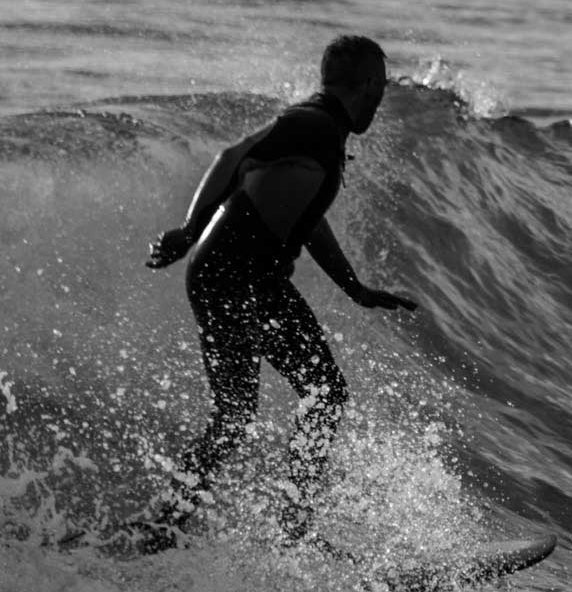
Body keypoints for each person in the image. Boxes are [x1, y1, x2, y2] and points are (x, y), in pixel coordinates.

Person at [132, 35, 417, 552]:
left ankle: (162, 525)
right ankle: (294, 529)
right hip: (242, 275)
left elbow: (305, 219)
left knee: (235, 414)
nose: (382, 99)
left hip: (221, 273)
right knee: (325, 394)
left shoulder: (319, 130)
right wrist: (189, 228)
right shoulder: (314, 126)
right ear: (372, 85)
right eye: (383, 87)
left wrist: (353, 287)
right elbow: (232, 154)